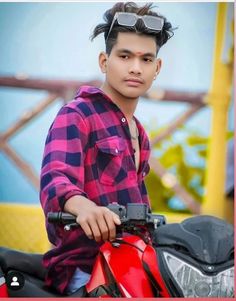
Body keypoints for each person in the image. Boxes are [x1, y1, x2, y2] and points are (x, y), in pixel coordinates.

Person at [40, 1, 174, 295]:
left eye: (146, 59)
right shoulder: (76, 115)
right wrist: (84, 207)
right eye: (125, 56)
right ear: (104, 61)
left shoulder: (139, 132)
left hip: (133, 264)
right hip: (86, 268)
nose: (136, 68)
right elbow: (55, 180)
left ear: (157, 68)